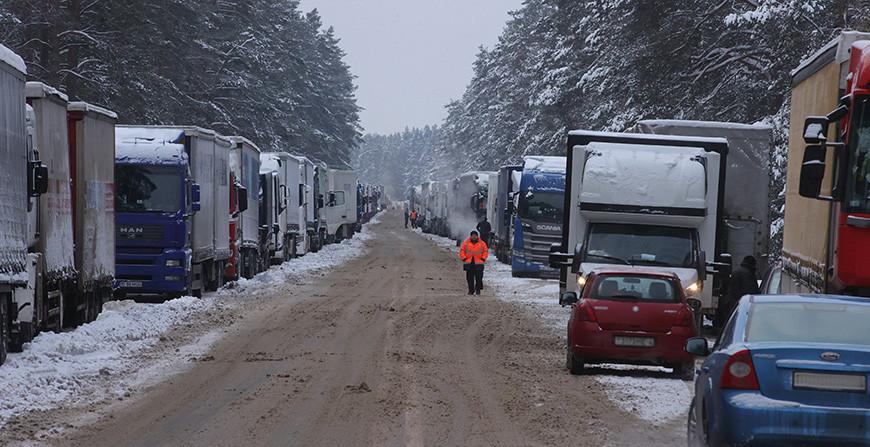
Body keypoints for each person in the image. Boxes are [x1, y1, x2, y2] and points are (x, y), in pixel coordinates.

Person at [716, 255, 760, 328]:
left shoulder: (736, 272)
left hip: (731, 302)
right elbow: (751, 291)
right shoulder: (748, 274)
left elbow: (727, 287)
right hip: (742, 304)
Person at [459, 230, 489, 295]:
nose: (474, 237)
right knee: (469, 278)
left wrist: (483, 258)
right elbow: (462, 251)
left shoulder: (482, 243)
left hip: (479, 263)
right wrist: (464, 258)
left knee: (479, 277)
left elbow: (485, 251)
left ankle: (478, 289)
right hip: (469, 263)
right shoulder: (466, 243)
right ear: (470, 236)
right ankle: (471, 290)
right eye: (472, 236)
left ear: (477, 236)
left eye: (475, 236)